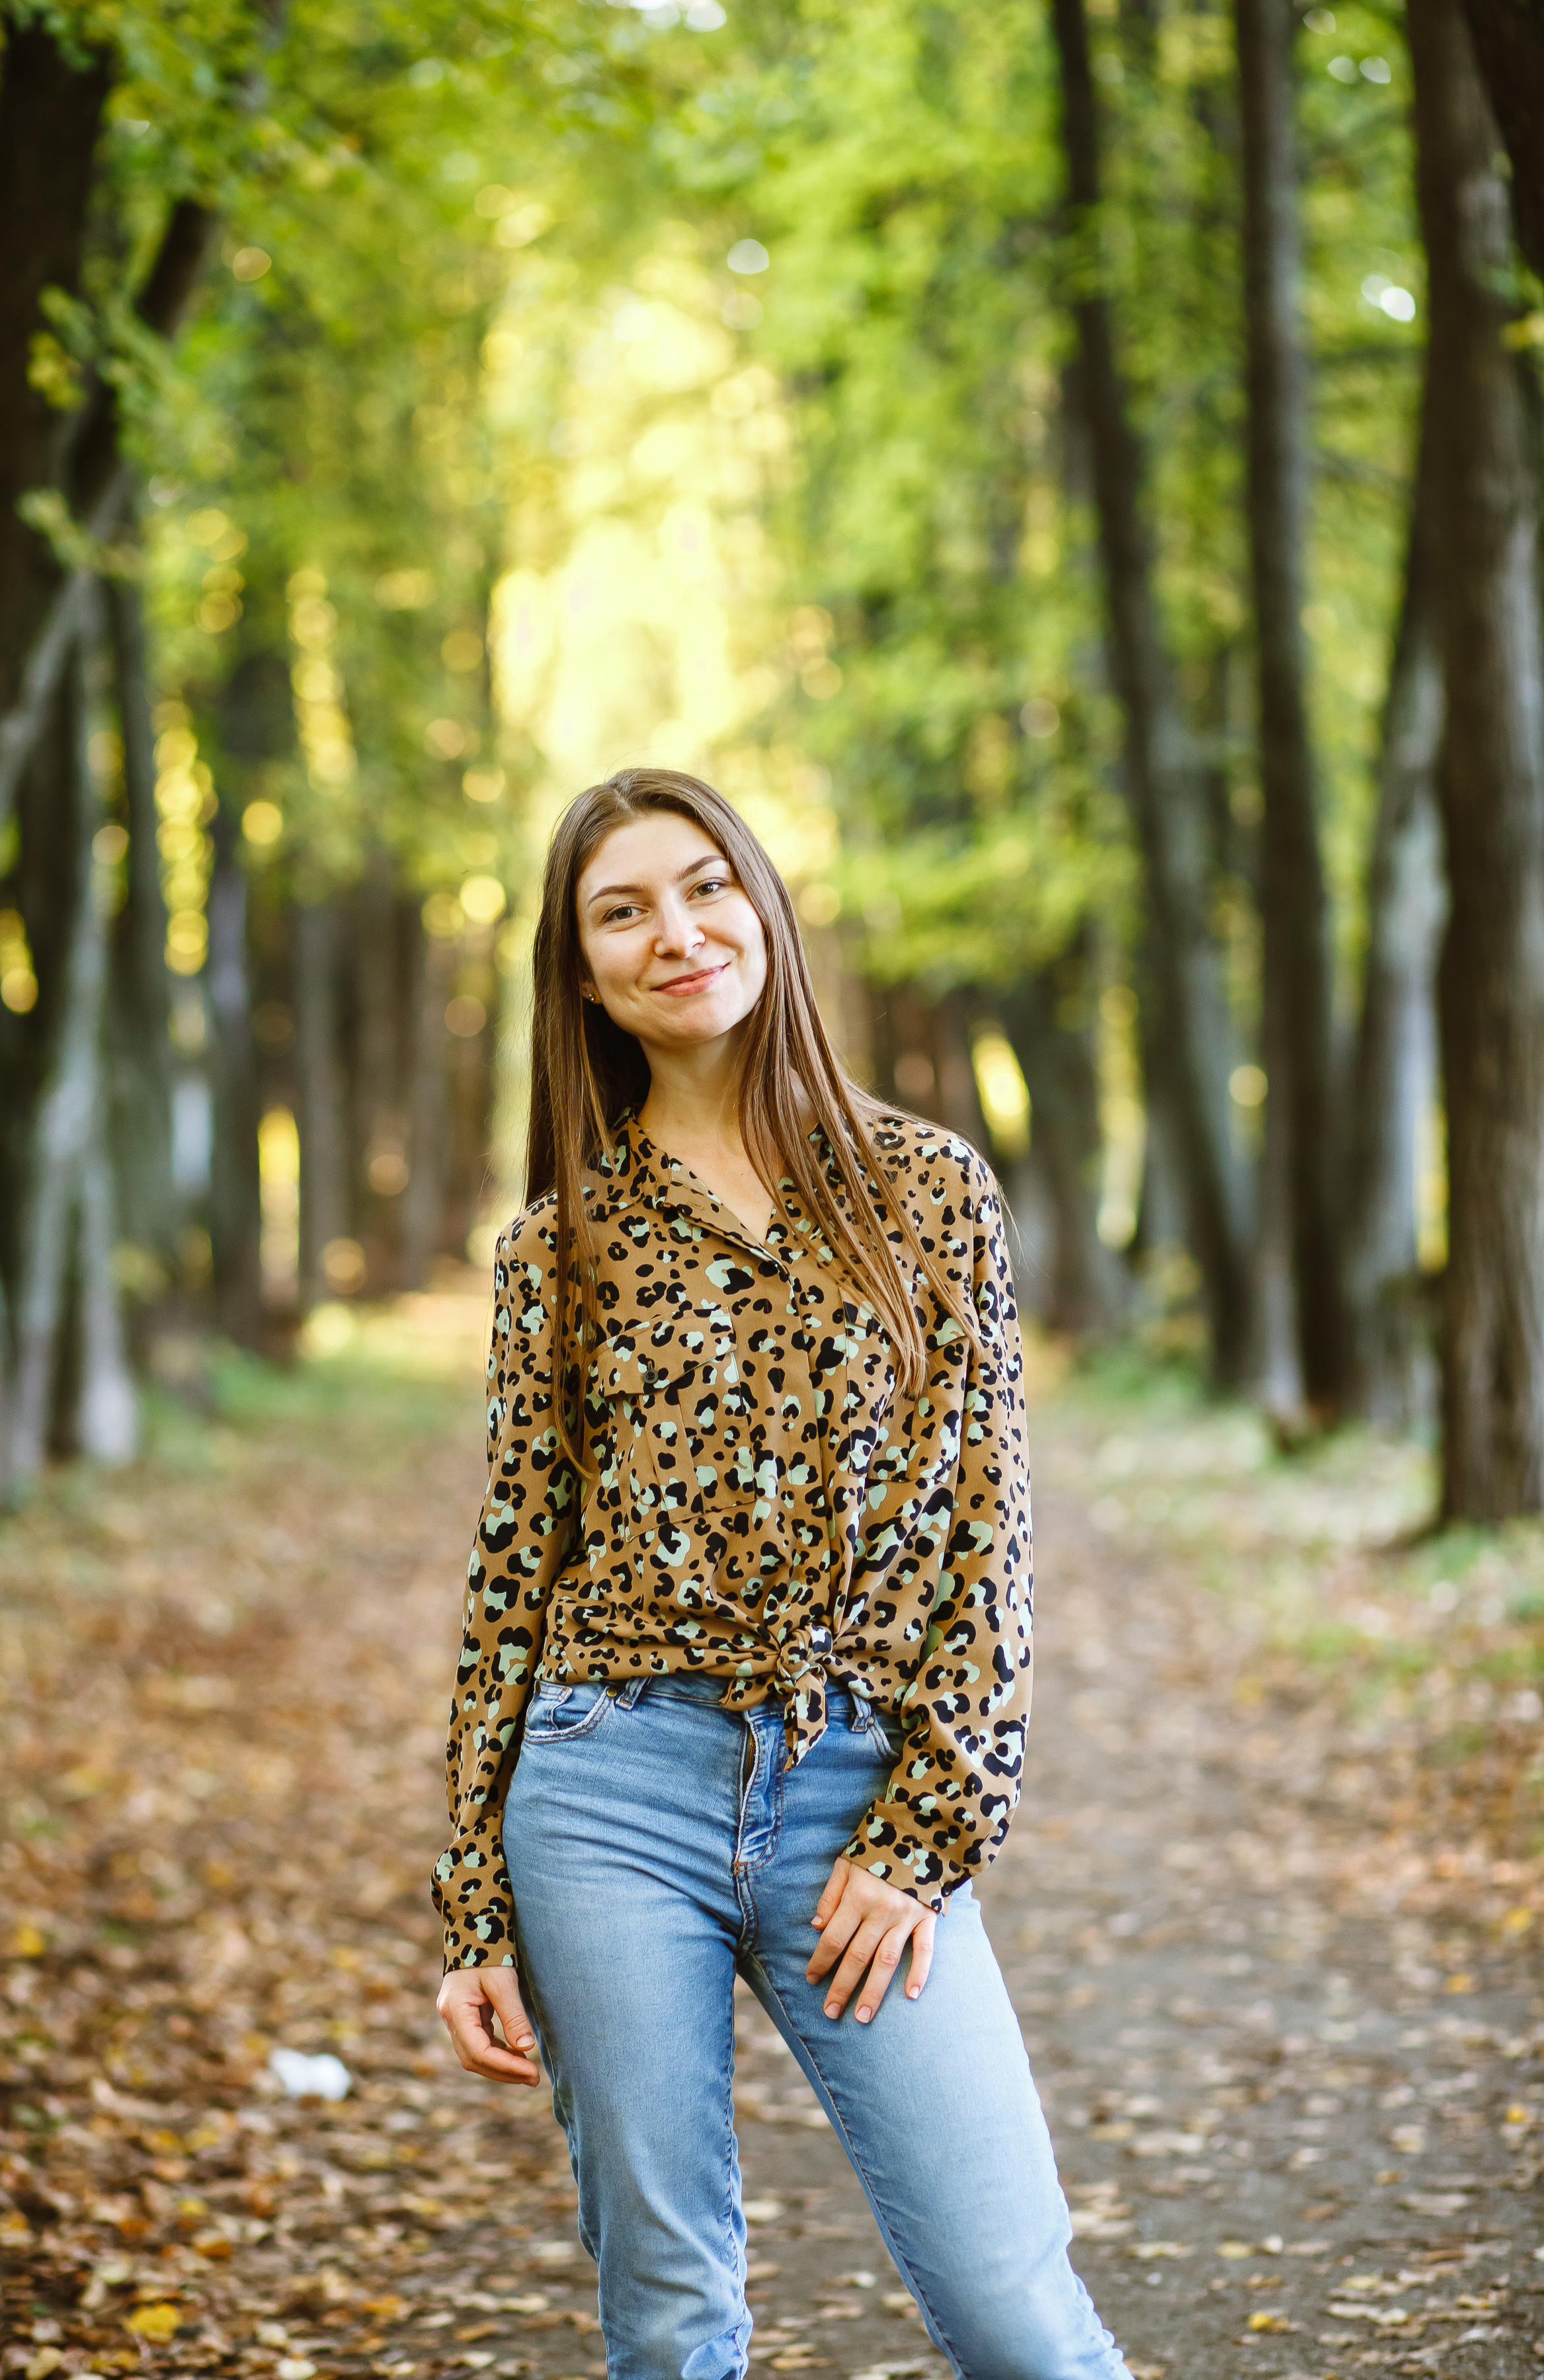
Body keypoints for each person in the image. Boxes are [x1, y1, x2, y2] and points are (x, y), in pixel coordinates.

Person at [432, 767, 1129, 2380]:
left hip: (856, 1796)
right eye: (623, 913)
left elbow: (987, 1538)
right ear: (585, 975)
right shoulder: (559, 1250)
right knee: (670, 2323)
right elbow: (514, 1576)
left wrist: (927, 1833)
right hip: (609, 1791)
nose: (675, 933)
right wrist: (473, 1907)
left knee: (1016, 2310)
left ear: (762, 904)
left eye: (703, 887)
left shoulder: (931, 1192)